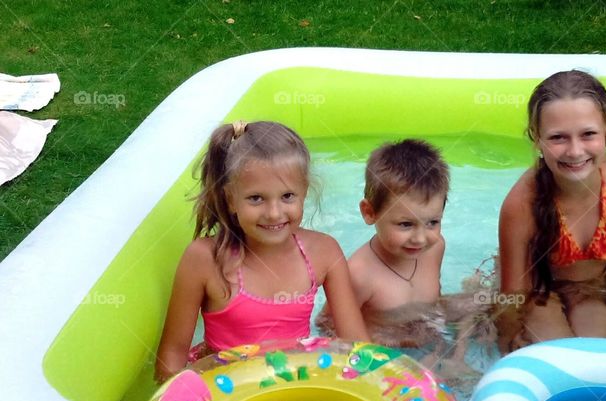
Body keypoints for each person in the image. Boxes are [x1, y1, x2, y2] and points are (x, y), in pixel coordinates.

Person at [154, 121, 369, 383]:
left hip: (296, 382)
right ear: (231, 199)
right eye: (256, 198)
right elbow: (172, 356)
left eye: (288, 196)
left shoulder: (323, 252)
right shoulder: (204, 259)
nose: (274, 213)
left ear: (305, 193)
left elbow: (357, 347)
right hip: (227, 391)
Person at [496, 70, 606, 353]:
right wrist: (507, 340)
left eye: (588, 134)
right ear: (537, 139)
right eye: (558, 138)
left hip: (589, 292)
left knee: (593, 348)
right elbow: (514, 295)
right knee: (557, 352)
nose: (574, 150)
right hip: (537, 292)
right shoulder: (520, 206)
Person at [329, 139, 451, 350]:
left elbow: (434, 307)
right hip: (383, 355)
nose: (421, 239)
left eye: (432, 222)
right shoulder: (359, 274)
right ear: (369, 212)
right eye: (406, 224)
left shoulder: (435, 248)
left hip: (427, 342)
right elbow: (329, 325)